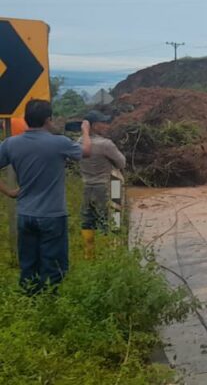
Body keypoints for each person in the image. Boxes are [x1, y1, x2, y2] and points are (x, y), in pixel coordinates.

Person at [0, 100, 92, 294]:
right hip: (52, 215)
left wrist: (9, 191)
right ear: (48, 119)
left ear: (26, 118)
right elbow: (86, 152)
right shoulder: (59, 142)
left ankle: (30, 302)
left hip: (25, 214)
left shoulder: (10, 144)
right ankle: (50, 302)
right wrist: (85, 131)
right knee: (53, 266)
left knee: (28, 265)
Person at [78, 110, 126, 259]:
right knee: (108, 219)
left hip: (87, 186)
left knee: (88, 220)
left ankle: (89, 255)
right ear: (93, 126)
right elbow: (122, 163)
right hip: (105, 186)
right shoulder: (105, 144)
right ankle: (108, 254)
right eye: (102, 123)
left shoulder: (79, 143)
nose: (106, 125)